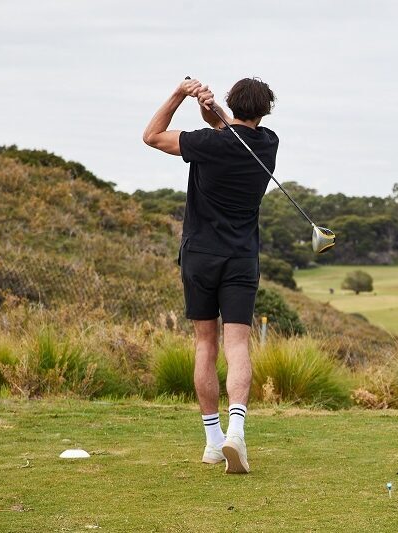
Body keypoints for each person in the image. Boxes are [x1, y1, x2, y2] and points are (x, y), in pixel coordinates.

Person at [143, 77, 278, 474]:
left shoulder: (208, 144)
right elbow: (230, 131)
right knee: (237, 344)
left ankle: (213, 442)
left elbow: (152, 136)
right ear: (265, 110)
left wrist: (180, 94)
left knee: (205, 344)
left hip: (200, 255)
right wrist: (209, 108)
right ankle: (237, 430)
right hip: (240, 258)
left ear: (232, 104)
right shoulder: (268, 143)